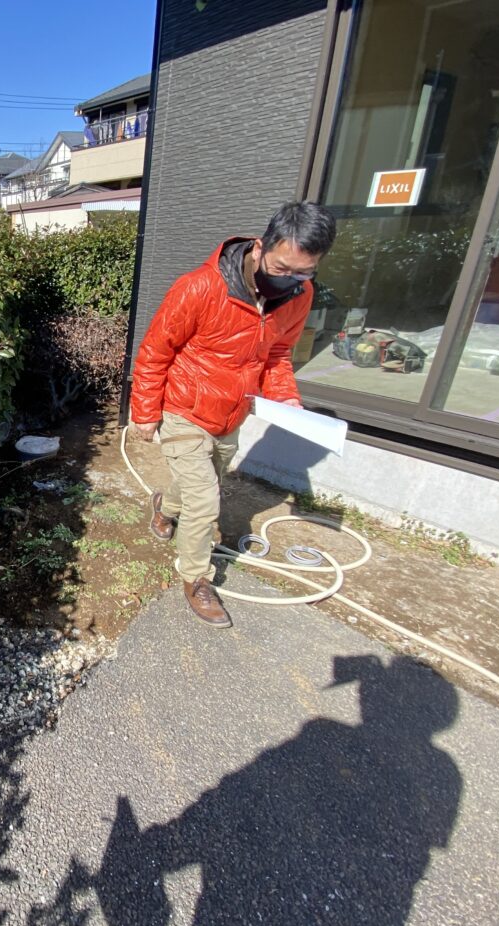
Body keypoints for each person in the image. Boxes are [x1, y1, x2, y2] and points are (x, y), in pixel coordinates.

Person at [129, 201, 337, 627]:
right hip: (184, 407)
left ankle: (165, 507)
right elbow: (155, 351)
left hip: (231, 414)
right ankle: (196, 579)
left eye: (303, 273)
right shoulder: (199, 287)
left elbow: (278, 354)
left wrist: (286, 398)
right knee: (206, 499)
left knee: (203, 482)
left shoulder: (299, 297)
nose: (290, 280)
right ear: (260, 248)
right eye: (282, 268)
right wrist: (145, 411)